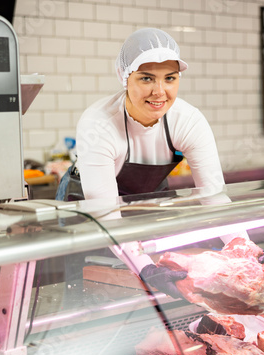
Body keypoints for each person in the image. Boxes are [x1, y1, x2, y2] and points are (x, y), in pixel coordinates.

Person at [75, 28, 239, 298]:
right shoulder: (98, 125)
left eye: (170, 78)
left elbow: (214, 196)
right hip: (90, 217)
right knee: (91, 298)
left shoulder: (187, 120)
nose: (159, 91)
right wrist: (145, 268)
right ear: (125, 77)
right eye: (146, 78)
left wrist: (242, 246)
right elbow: (106, 214)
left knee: (154, 302)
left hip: (145, 210)